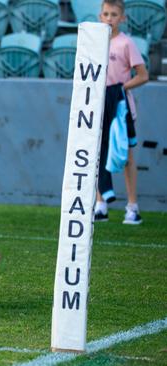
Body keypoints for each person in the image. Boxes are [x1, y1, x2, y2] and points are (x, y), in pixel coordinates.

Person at [94, 0, 149, 225]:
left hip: (120, 108)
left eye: (114, 14)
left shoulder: (126, 44)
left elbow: (143, 75)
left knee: (125, 157)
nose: (109, 18)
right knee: (98, 154)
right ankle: (100, 204)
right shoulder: (95, 42)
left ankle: (132, 207)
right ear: (100, 16)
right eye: (106, 13)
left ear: (122, 18)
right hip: (98, 108)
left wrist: (119, 89)